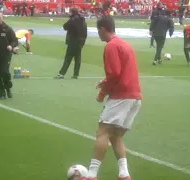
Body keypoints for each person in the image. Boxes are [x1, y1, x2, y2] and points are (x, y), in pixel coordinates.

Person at [83, 15, 142, 180]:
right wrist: (105, 81)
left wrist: (102, 93)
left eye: (98, 31)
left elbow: (115, 73)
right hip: (135, 96)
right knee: (116, 136)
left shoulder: (111, 46)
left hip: (121, 96)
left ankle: (91, 175)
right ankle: (124, 174)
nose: (98, 34)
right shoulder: (125, 45)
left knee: (103, 132)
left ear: (102, 29)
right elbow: (123, 71)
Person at [54, 8, 87, 79]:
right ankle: (76, 74)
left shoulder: (73, 20)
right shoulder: (82, 20)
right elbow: (85, 32)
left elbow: (65, 26)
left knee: (68, 58)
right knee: (77, 58)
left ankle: (61, 73)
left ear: (72, 12)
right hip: (80, 41)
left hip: (73, 41)